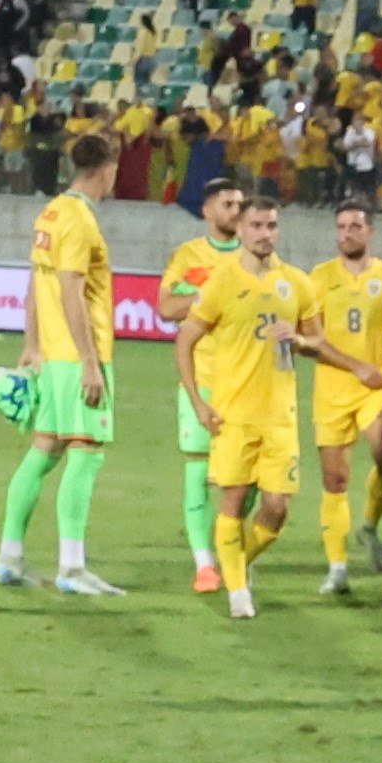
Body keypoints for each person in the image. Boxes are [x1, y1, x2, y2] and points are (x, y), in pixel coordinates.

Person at [0, 128, 125, 594]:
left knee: (44, 451)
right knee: (87, 453)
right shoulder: (81, 221)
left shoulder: (50, 212)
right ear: (106, 170)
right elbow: (71, 290)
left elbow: (36, 281)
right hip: (76, 357)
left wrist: (32, 344)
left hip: (51, 355)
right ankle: (72, 567)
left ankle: (9, 557)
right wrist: (91, 363)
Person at [185, 196, 311, 619]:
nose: (264, 234)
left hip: (281, 416)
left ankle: (236, 562)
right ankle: (239, 593)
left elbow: (318, 343)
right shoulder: (220, 282)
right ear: (240, 229)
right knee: (233, 505)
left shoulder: (297, 282)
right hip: (234, 415)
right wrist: (199, 403)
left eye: (271, 226)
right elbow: (184, 342)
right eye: (256, 225)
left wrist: (300, 340)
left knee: (277, 508)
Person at [299, 200, 382, 594]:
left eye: (355, 226)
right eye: (342, 226)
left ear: (370, 232)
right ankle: (338, 567)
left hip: (376, 386)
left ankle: (369, 525)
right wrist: (354, 366)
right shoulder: (318, 279)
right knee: (335, 480)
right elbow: (309, 342)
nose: (347, 233)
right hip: (332, 390)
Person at [158, 181, 249, 594]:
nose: (236, 209)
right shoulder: (189, 257)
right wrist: (209, 299)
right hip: (204, 380)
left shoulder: (257, 256)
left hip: (248, 385)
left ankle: (226, 541)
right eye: (228, 203)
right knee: (197, 469)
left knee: (249, 479)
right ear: (208, 209)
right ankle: (204, 563)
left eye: (240, 204)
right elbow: (166, 307)